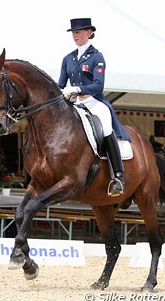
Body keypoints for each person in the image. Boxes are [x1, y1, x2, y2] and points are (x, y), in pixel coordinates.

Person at [58, 18, 131, 196]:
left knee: (105, 127)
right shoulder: (68, 59)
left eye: (79, 32)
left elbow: (98, 85)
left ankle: (118, 176)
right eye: (73, 32)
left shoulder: (97, 57)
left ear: (89, 32)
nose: (75, 35)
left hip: (93, 100)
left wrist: (78, 88)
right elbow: (60, 85)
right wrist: (62, 93)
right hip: (74, 102)